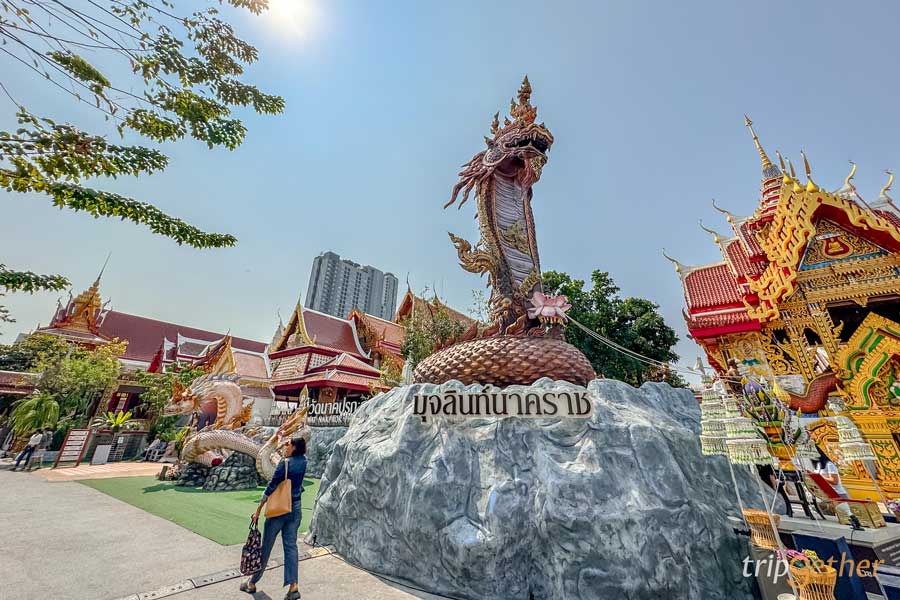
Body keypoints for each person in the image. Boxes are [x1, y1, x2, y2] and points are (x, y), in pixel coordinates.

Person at [241, 437, 308, 599]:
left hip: (279, 510)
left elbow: (272, 485)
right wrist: (286, 446)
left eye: (288, 444)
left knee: (266, 547)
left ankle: (252, 582)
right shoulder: (304, 461)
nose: (286, 446)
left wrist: (258, 509)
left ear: (293, 447)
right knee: (291, 547)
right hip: (295, 508)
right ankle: (293, 586)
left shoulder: (285, 463)